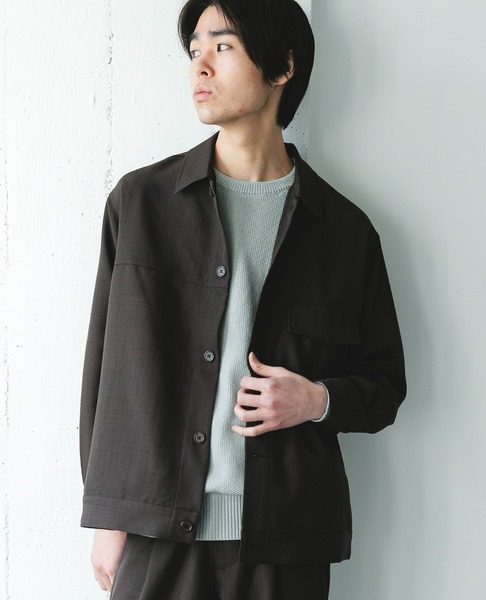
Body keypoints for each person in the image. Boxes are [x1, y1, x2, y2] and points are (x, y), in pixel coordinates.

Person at [79, 0, 406, 598]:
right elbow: (105, 373)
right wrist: (107, 514)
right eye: (194, 50)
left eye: (222, 46)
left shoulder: (344, 233)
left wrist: (316, 400)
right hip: (156, 534)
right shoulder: (141, 205)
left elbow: (384, 386)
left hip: (285, 543)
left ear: (282, 66)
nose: (199, 66)